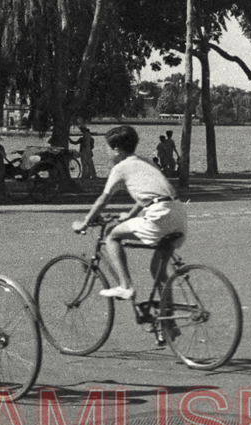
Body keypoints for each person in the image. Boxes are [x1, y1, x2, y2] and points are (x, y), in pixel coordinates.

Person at [72, 126, 187, 316]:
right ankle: (168, 322)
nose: (106, 152)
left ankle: (126, 286)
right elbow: (152, 195)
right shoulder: (146, 162)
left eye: (107, 148)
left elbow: (103, 199)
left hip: (159, 215)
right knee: (158, 271)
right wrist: (131, 214)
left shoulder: (120, 168)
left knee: (111, 236)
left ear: (116, 149)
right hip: (178, 213)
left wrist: (85, 222)